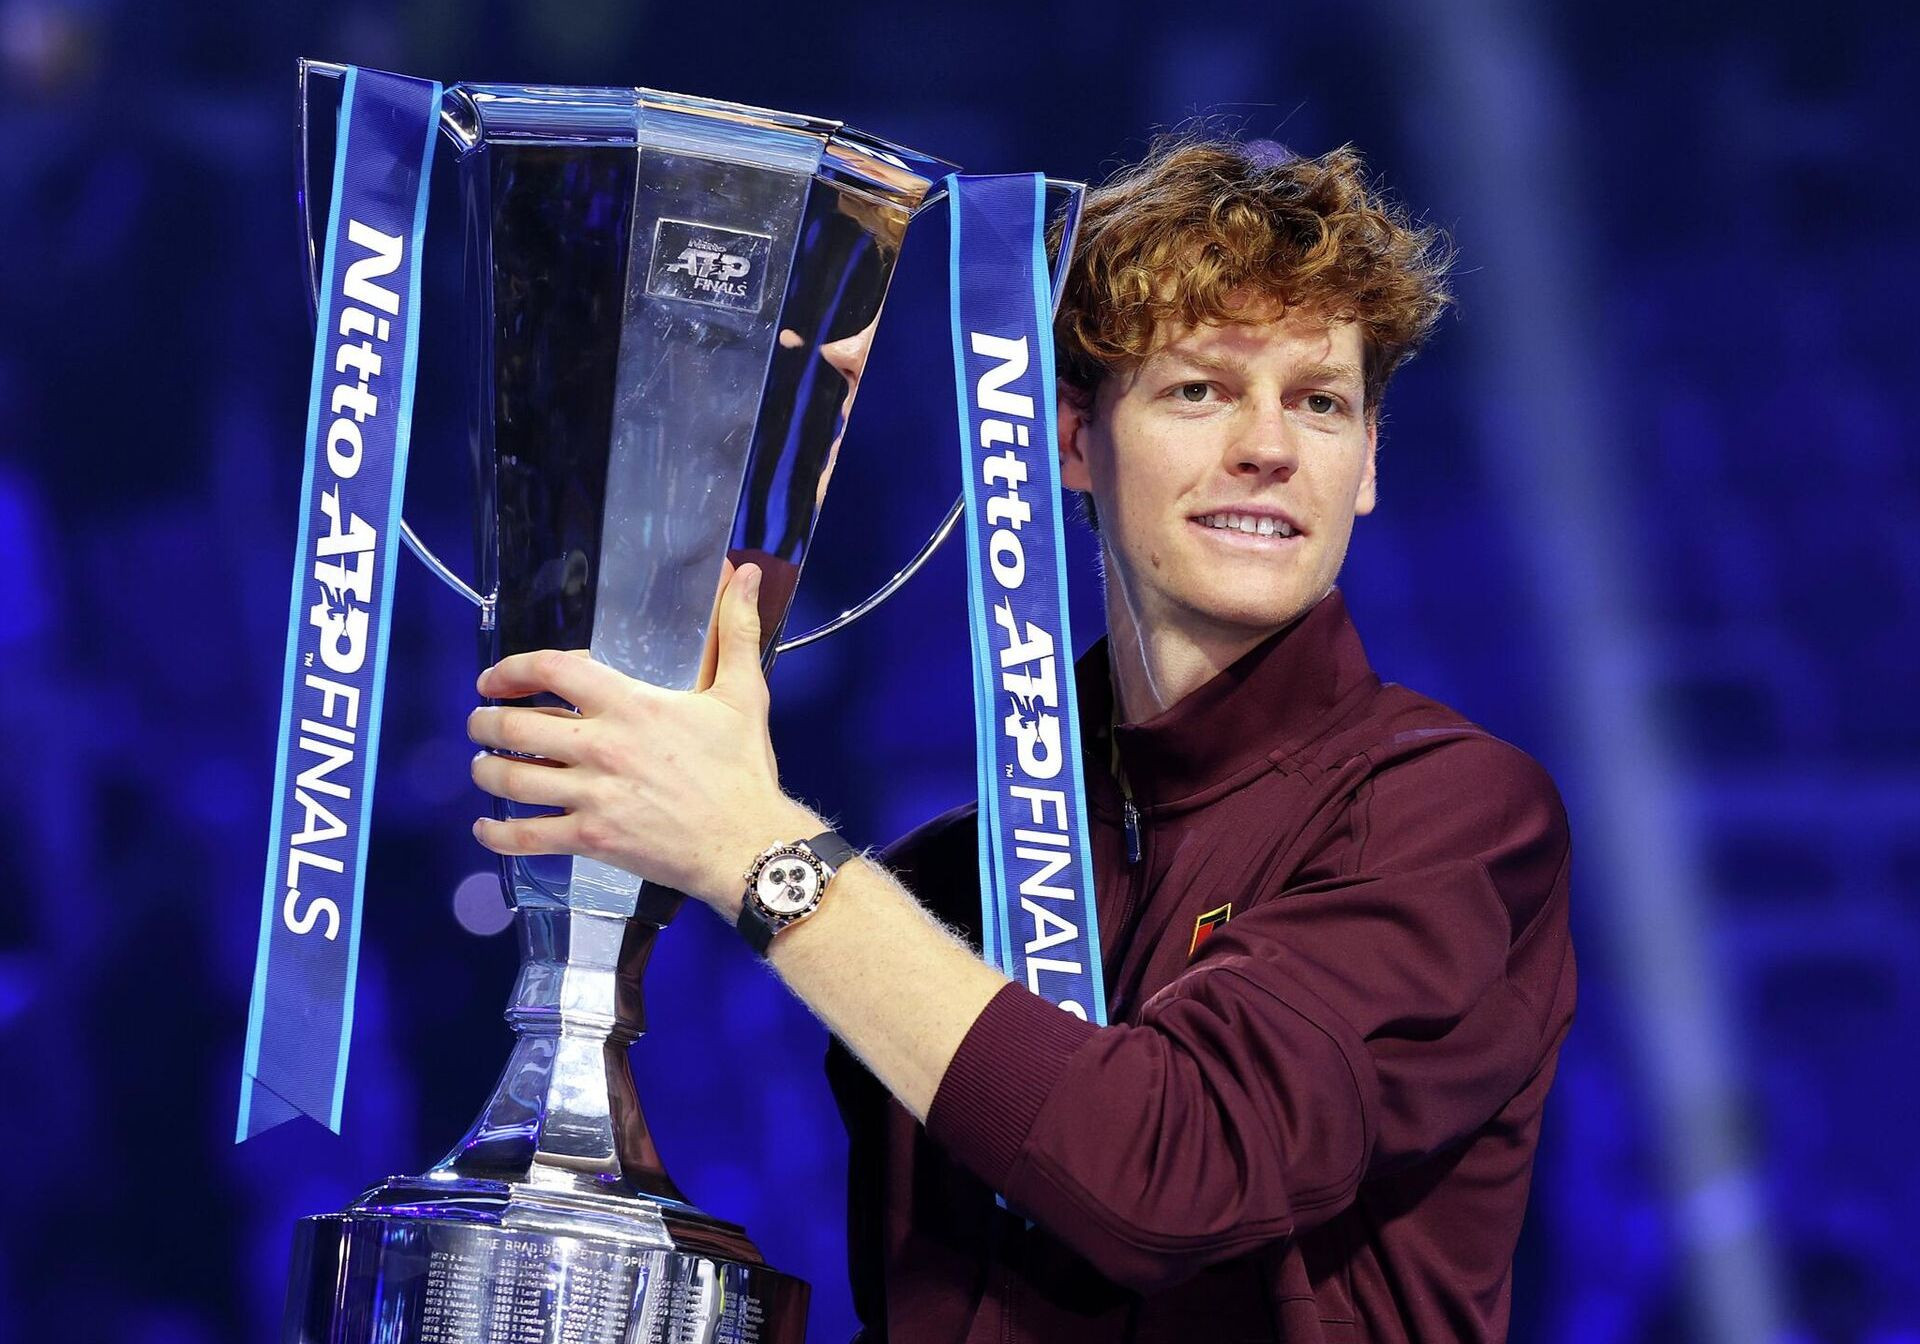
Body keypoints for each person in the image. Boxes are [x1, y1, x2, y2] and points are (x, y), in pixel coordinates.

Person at [464, 136, 1577, 1343]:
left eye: (1320, 402)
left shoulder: (1450, 817)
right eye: (1200, 389)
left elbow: (1173, 1167)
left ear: (1365, 464)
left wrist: (754, 849)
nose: (1270, 446)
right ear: (1071, 439)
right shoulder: (944, 889)